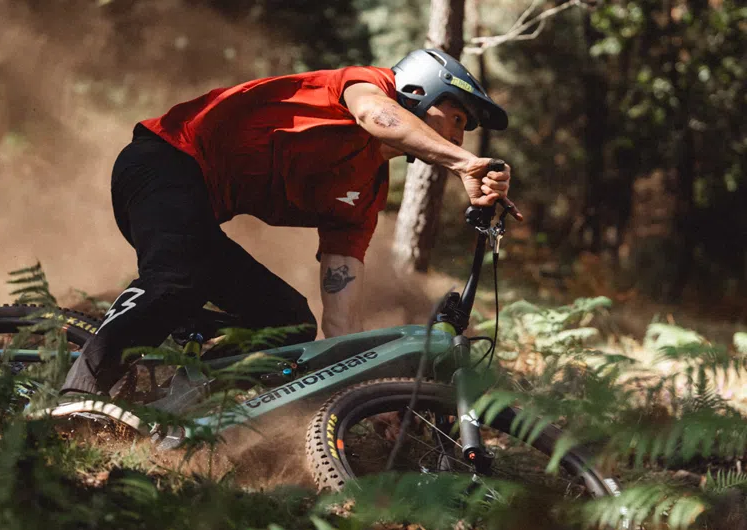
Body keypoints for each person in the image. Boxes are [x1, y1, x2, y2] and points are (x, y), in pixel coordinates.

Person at [61, 48, 517, 398]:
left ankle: (183, 397)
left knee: (288, 323)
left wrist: (357, 389)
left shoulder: (365, 194)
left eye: (464, 132)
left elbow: (341, 314)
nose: (459, 137)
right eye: (457, 118)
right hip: (162, 162)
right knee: (178, 279)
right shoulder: (364, 85)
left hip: (195, 214)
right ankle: (77, 390)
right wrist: (464, 163)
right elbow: (376, 116)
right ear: (419, 90)